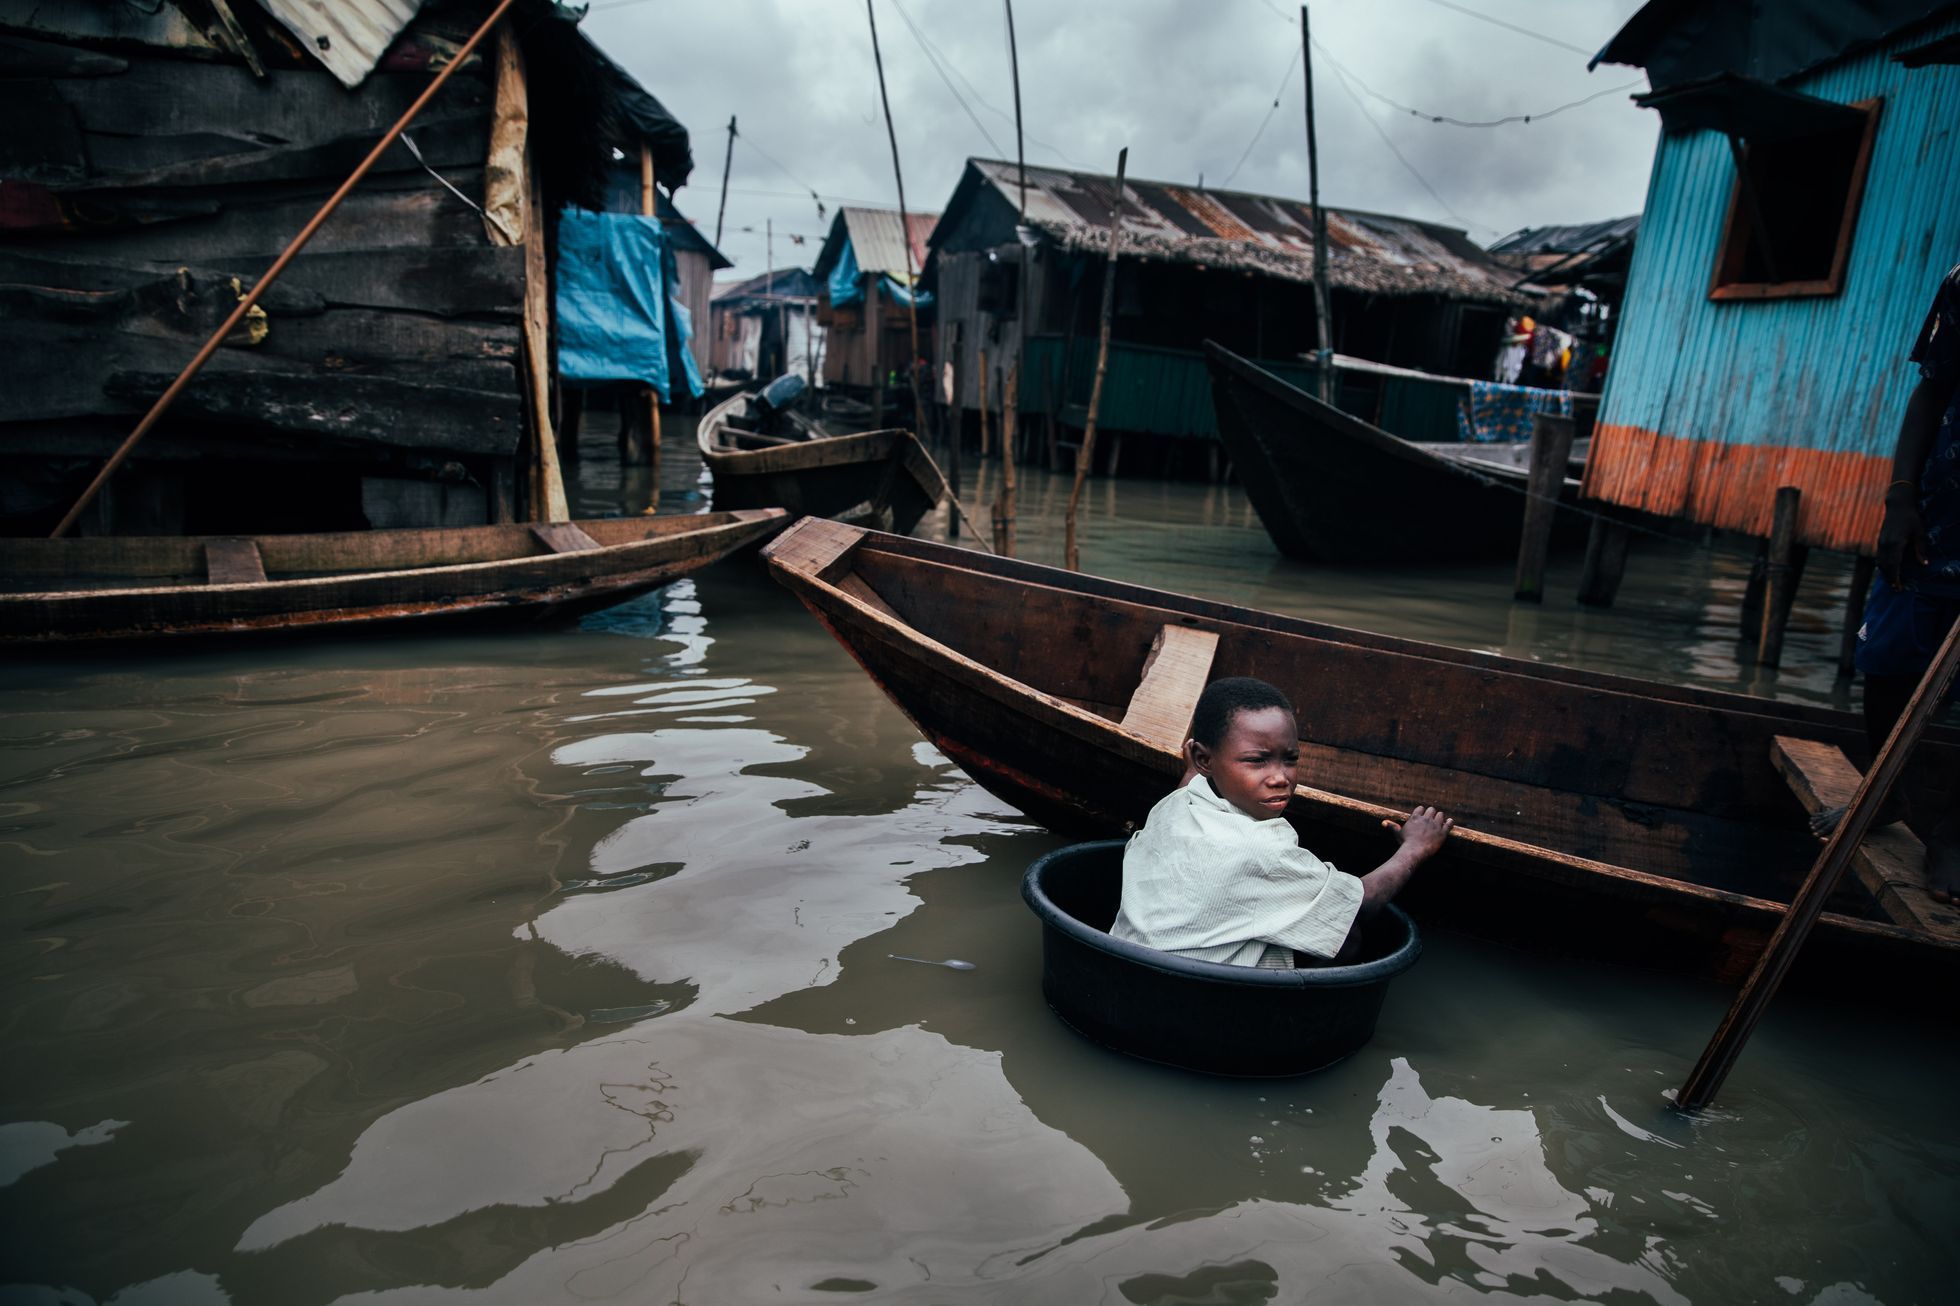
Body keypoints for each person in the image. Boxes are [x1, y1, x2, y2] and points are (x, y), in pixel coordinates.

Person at [1109, 677, 1454, 968]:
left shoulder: (1173, 805)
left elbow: (1189, 790)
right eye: (1257, 761)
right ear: (1204, 759)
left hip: (1125, 967)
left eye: (1290, 759)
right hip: (1204, 999)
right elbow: (1359, 905)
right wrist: (1415, 848)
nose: (1280, 778)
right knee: (1348, 936)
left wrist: (1196, 771)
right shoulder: (1262, 849)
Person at [1831, 261, 1960, 901]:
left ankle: (1955, 835)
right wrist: (1901, 498)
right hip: (1937, 520)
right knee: (1883, 661)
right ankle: (1886, 795)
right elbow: (1933, 391)